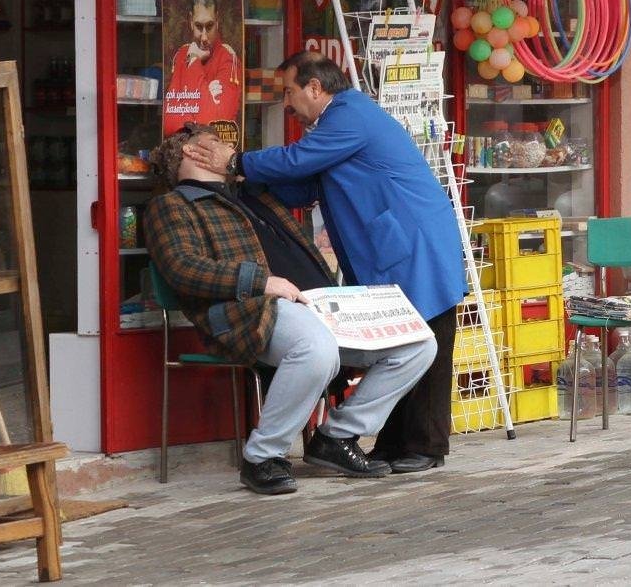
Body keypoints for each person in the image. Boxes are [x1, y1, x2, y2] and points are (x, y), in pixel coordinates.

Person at [182, 51, 466, 474]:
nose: (287, 103)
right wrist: (244, 183)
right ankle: (392, 444)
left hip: (413, 245)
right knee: (406, 338)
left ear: (315, 88)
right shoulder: (337, 124)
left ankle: (425, 445)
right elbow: (305, 185)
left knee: (426, 339)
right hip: (397, 244)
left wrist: (236, 162)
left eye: (291, 92)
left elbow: (297, 162)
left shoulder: (349, 115)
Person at [143, 124, 436, 495]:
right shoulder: (173, 204)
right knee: (316, 348)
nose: (227, 145)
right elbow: (182, 268)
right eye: (215, 142)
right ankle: (263, 457)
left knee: (418, 344)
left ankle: (336, 436)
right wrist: (261, 281)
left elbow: (307, 176)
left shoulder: (253, 192)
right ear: (191, 153)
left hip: (324, 303)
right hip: (254, 308)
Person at [162, 0, 242, 135]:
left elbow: (212, 124)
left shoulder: (227, 58)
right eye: (199, 27)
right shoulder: (182, 55)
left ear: (217, 20)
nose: (204, 37)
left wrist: (193, 62)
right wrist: (206, 93)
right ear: (191, 21)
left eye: (209, 26)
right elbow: (170, 125)